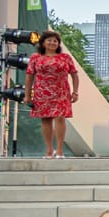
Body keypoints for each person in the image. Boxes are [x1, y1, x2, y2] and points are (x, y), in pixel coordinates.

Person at [24, 30, 79, 159]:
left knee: (60, 117)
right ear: (43, 43)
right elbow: (29, 76)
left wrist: (75, 92)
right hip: (42, 92)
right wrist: (27, 95)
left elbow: (74, 75)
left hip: (61, 91)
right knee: (46, 119)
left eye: (55, 41)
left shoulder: (65, 57)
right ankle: (49, 150)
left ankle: (60, 151)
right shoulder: (35, 57)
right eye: (49, 40)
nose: (52, 43)